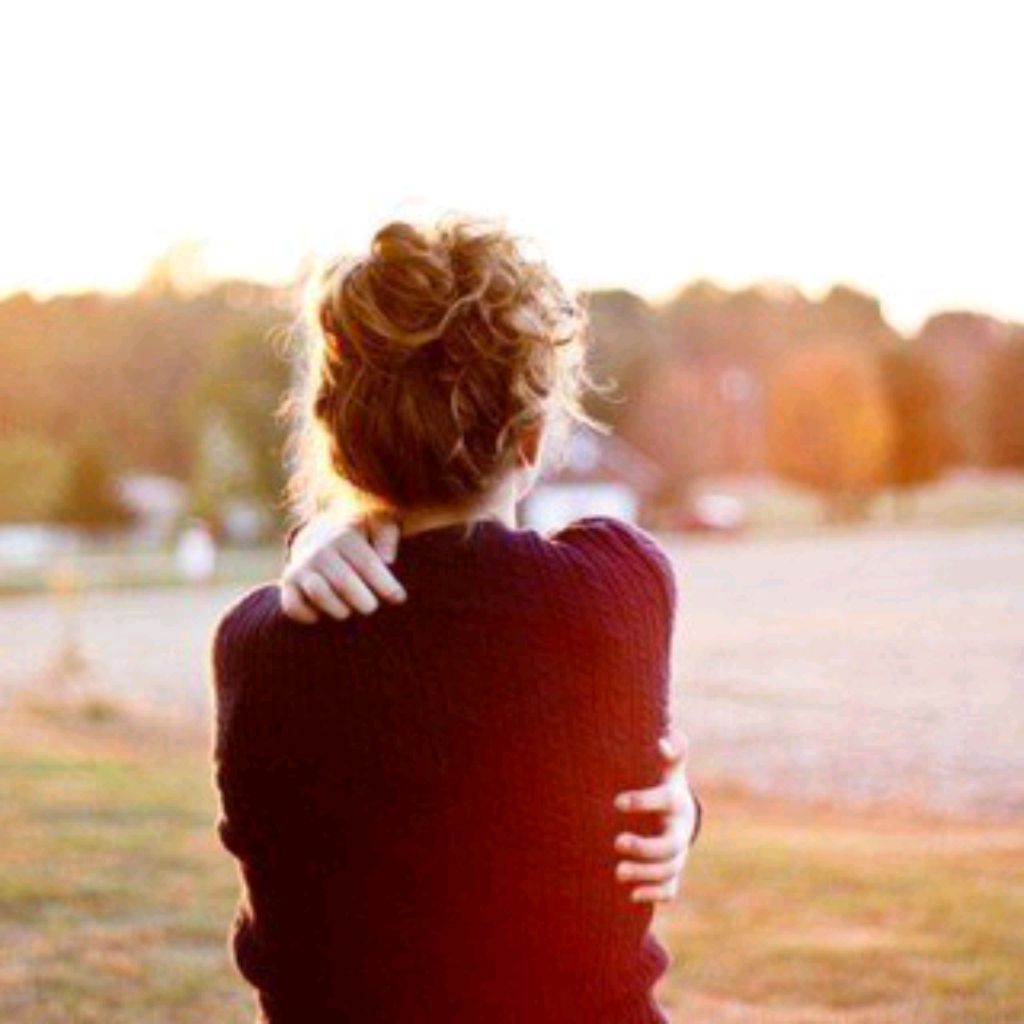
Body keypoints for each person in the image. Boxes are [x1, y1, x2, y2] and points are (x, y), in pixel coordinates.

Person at [212, 218, 700, 1023]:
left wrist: (318, 532)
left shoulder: (256, 645)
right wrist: (682, 807)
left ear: (341, 444)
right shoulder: (621, 585)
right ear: (530, 440)